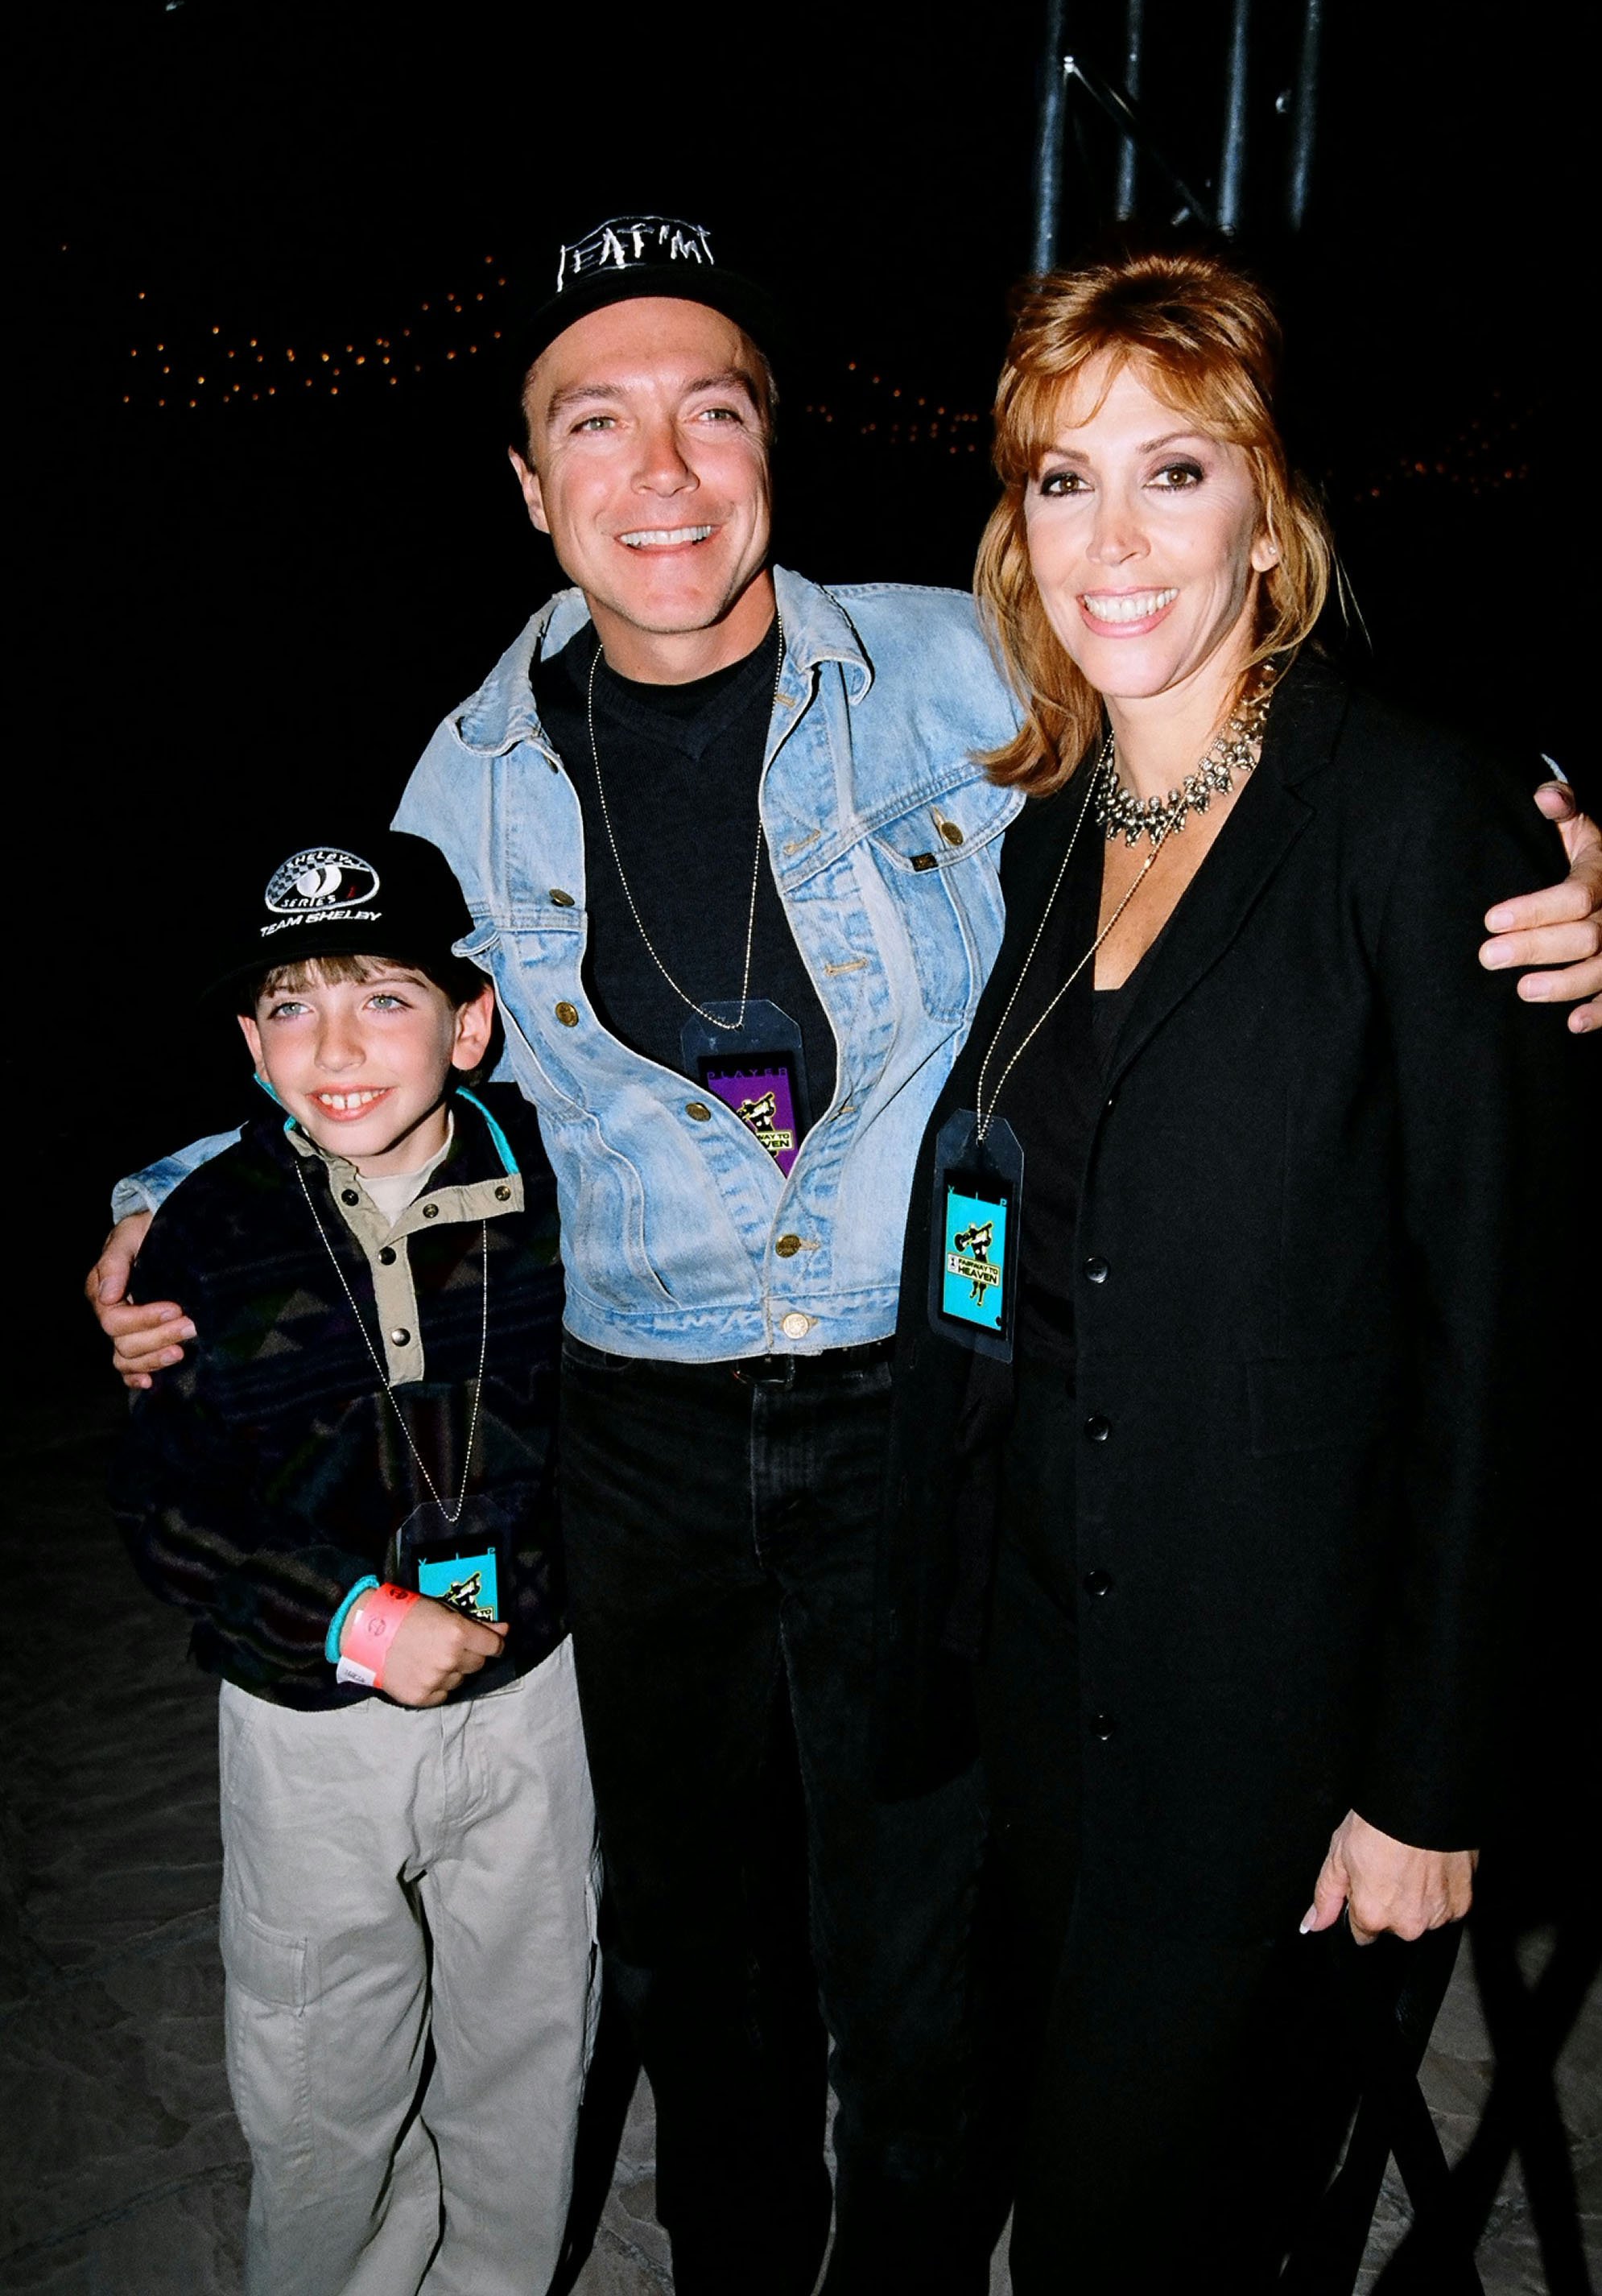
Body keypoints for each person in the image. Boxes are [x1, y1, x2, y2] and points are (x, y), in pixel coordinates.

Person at [86, 217, 1601, 2294]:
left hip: (927, 1412)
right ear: (531, 492)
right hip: (638, 1429)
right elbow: (364, 1031)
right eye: (592, 426)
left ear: (772, 445)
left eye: (711, 410)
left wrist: (1550, 835)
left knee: (921, 1965)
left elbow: (1276, 737)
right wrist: (167, 1203)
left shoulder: (972, 665)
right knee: (699, 1963)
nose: (664, 472)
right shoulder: (468, 770)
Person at [876, 246, 1592, 2290]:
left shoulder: (1417, 816)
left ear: (1266, 511)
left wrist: (1426, 1774)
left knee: (1128, 2233)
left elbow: (1496, 1334)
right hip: (1042, 1669)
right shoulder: (1047, 828)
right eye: (1058, 480)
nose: (1111, 539)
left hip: (1268, 1705)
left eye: (1171, 474)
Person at [108, 825, 597, 2296]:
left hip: (534, 1695)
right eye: (289, 1007)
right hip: (309, 1723)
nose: (338, 1046)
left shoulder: (558, 1184)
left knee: (530, 2028)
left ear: (470, 1020)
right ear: (250, 1044)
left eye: (383, 996)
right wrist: (345, 1618)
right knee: (324, 2054)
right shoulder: (211, 1228)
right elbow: (164, 1504)